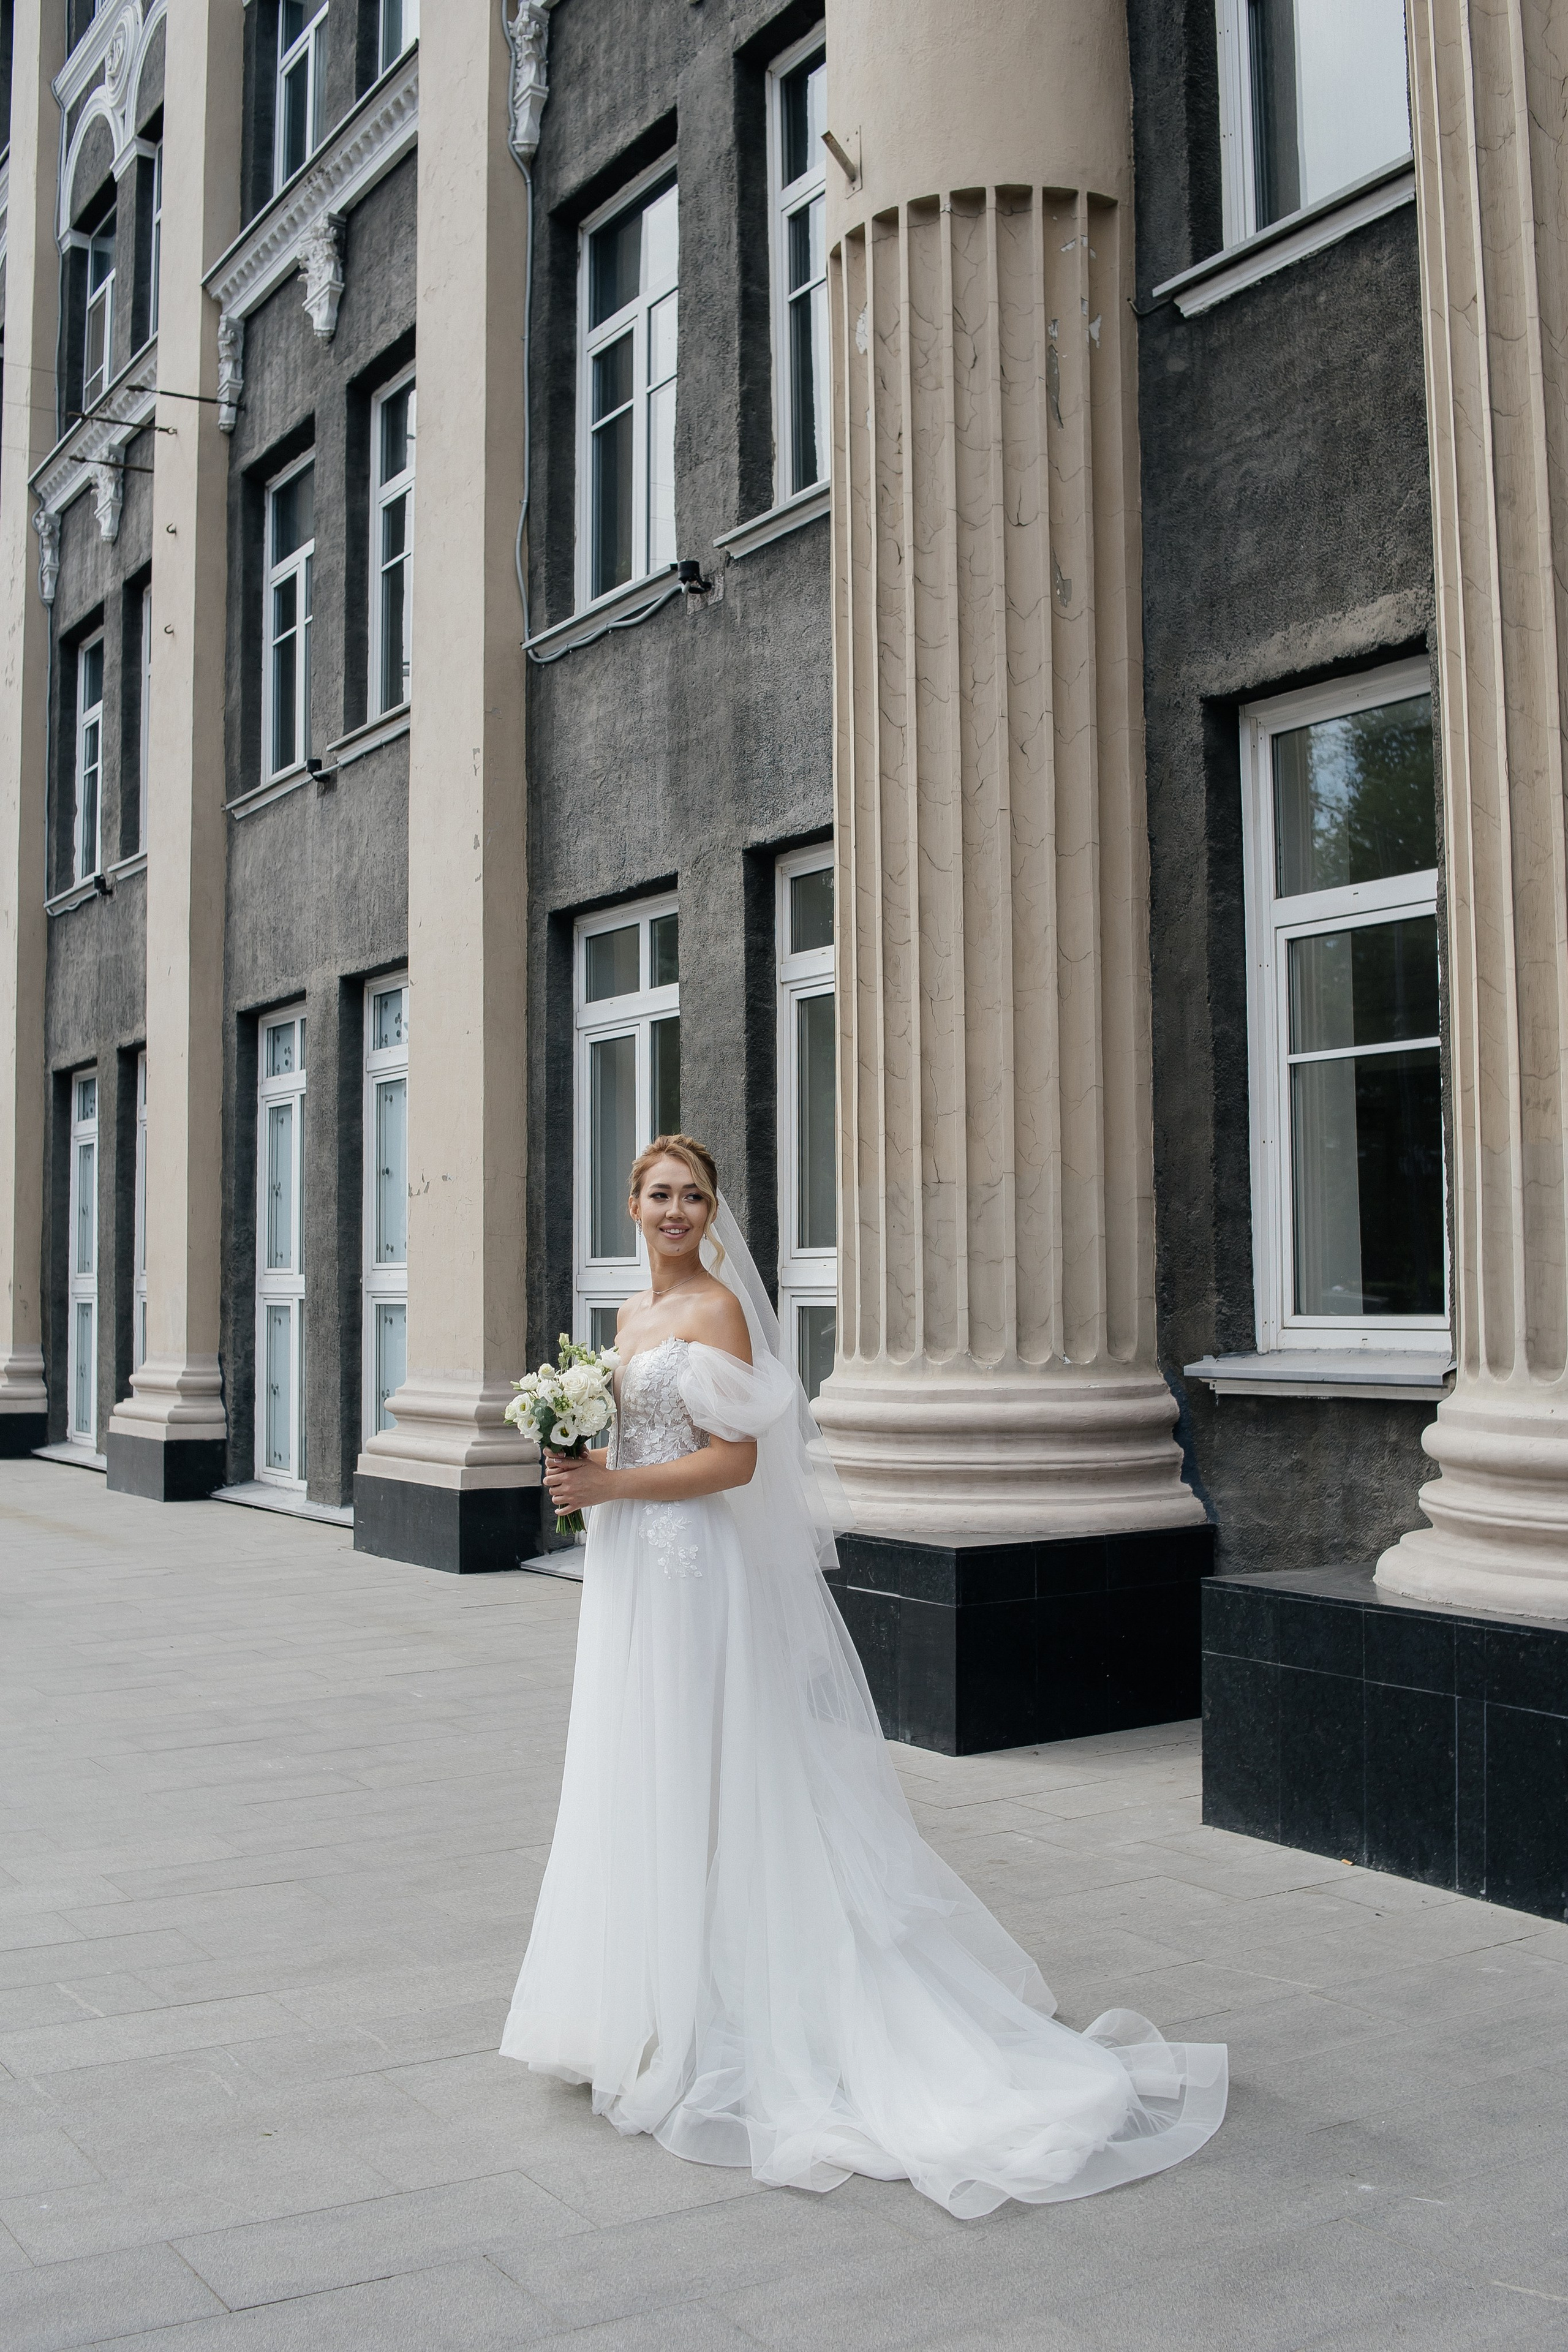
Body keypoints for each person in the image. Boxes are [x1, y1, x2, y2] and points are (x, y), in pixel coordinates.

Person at [500, 1135, 1226, 2217]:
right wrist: (584, 1467)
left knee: (709, 1766)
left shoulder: (716, 1311)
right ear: (632, 1205)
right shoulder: (631, 1315)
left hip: (691, 1570)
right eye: (659, 1194)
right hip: (630, 1568)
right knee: (638, 1764)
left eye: (694, 1196)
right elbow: (644, 1438)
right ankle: (649, 2004)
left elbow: (736, 1461)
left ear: (712, 1211)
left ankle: (725, 2012)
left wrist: (611, 1486)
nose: (676, 1211)